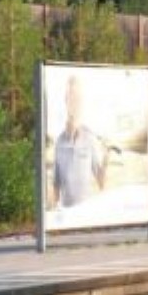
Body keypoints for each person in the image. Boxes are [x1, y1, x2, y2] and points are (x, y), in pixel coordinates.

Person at [51, 74, 109, 208]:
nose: (74, 101)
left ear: (82, 101)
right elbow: (56, 185)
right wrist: (53, 210)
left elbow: (101, 182)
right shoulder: (59, 142)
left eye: (78, 97)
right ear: (65, 100)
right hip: (66, 213)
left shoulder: (90, 138)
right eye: (71, 96)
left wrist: (107, 157)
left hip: (85, 212)